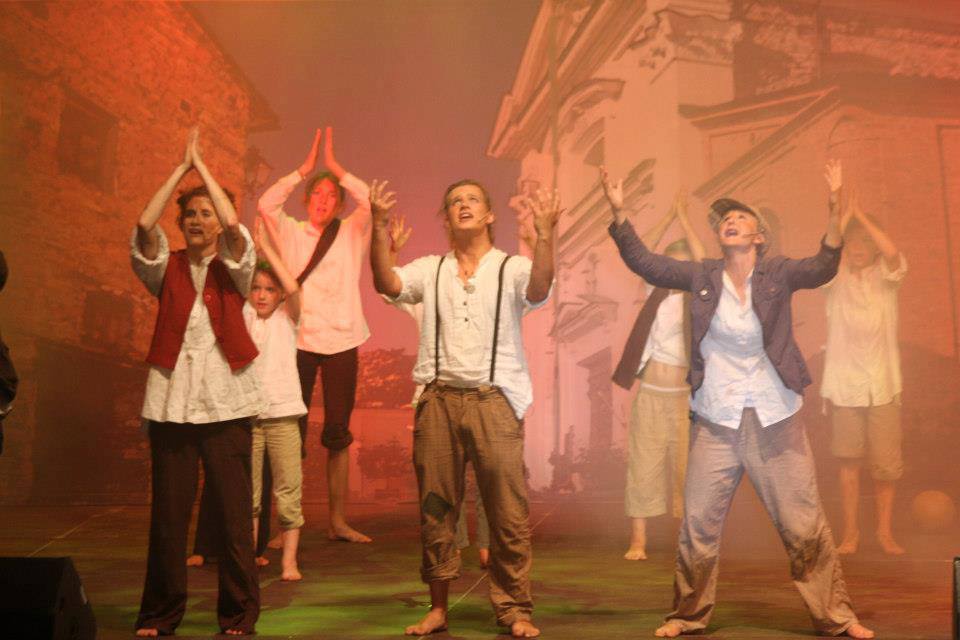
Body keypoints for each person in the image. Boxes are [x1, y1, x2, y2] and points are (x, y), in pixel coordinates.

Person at [602, 161, 874, 639]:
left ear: (759, 236)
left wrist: (834, 211)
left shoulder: (779, 273)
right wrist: (620, 214)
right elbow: (646, 263)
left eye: (741, 217)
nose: (730, 221)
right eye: (725, 219)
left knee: (803, 524)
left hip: (776, 418)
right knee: (698, 525)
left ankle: (836, 616)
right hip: (717, 421)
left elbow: (822, 266)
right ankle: (687, 615)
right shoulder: (701, 275)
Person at [370, 179, 559, 638]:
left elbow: (539, 288)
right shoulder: (431, 269)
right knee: (436, 509)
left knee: (508, 511)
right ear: (447, 218)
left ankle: (513, 609)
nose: (463, 205)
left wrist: (545, 235)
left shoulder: (511, 267)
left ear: (489, 215)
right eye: (455, 201)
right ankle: (438, 608)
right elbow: (386, 282)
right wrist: (378, 227)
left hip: (494, 399)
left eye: (473, 199)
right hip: (438, 400)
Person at [131, 129, 260, 637]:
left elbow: (233, 226)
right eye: (190, 213)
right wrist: (181, 169)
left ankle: (238, 614)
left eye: (206, 212)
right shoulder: (165, 268)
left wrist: (204, 170)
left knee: (232, 518)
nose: (197, 220)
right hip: (172, 405)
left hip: (227, 404)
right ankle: (160, 614)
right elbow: (145, 224)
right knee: (168, 518)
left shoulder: (237, 266)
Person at [257, 127, 371, 543]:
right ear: (306, 200)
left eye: (331, 195)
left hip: (343, 340)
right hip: (298, 341)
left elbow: (369, 200)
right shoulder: (289, 230)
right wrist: (302, 170)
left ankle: (338, 521)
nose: (323, 200)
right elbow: (266, 203)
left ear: (339, 204)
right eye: (316, 194)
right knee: (291, 434)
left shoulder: (352, 230)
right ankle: (288, 525)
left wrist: (337, 168)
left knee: (338, 434)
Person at [382, 214, 491, 567]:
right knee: (444, 478)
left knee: (489, 474)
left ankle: (488, 544)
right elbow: (390, 290)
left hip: (485, 393)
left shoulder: (488, 283)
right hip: (437, 396)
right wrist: (392, 252)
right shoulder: (428, 288)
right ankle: (453, 543)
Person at [608, 189, 704, 560]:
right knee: (643, 465)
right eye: (671, 264)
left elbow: (702, 263)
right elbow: (643, 254)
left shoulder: (700, 299)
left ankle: (685, 542)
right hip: (650, 393)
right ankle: (638, 542)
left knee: (685, 470)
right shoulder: (656, 290)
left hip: (684, 399)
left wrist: (686, 222)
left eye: (683, 266)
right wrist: (668, 219)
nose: (676, 271)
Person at [821, 189, 907, 556]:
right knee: (849, 461)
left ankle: (884, 533)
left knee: (886, 466)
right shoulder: (834, 277)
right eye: (852, 241)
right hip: (845, 386)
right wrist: (845, 218)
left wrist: (864, 219)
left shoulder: (887, 277)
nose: (858, 247)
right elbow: (827, 251)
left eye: (865, 241)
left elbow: (892, 253)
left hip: (883, 384)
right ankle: (851, 534)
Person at [244, 217, 309, 580]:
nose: (262, 295)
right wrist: (251, 255)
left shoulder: (288, 319)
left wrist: (267, 249)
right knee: (250, 496)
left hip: (283, 416)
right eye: (256, 288)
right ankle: (250, 558)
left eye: (269, 289)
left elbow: (294, 289)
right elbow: (240, 283)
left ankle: (289, 562)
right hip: (248, 417)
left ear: (279, 295)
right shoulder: (244, 316)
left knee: (288, 492)